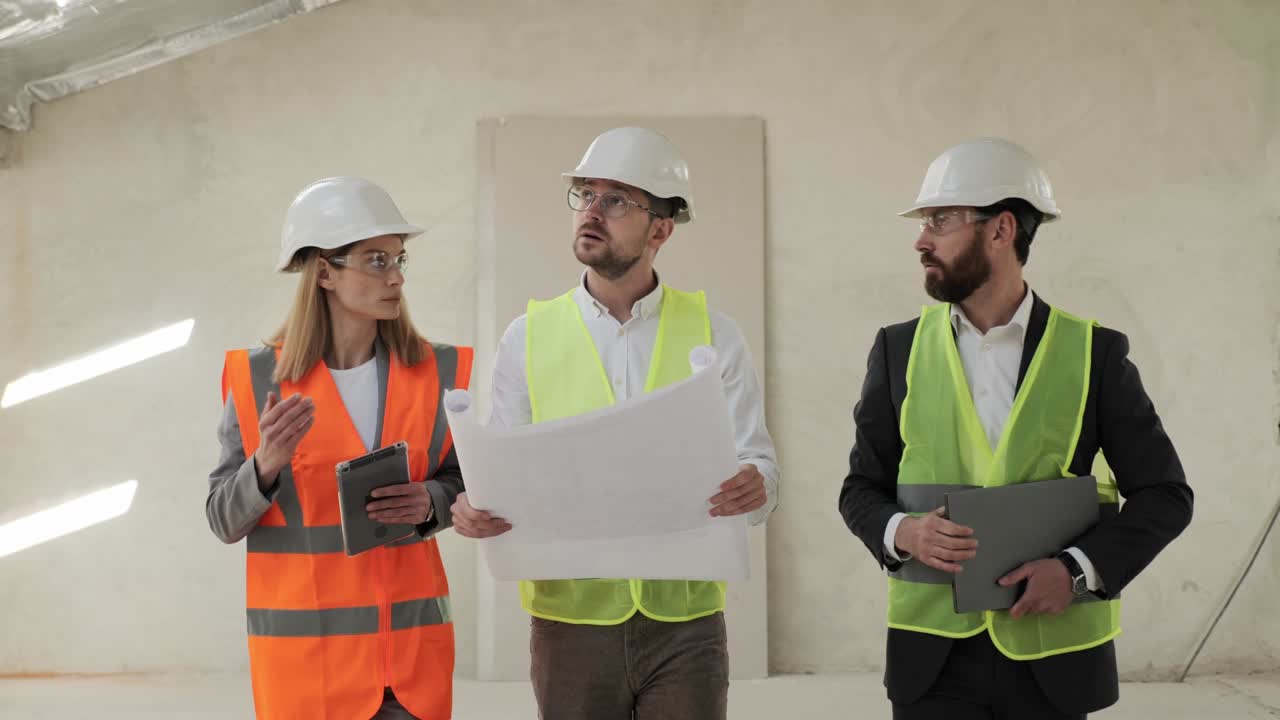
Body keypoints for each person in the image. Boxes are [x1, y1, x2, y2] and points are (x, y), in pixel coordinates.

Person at [838, 138, 1193, 719]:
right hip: (932, 662)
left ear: (1002, 230)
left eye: (941, 220)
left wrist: (1077, 572)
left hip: (1054, 661)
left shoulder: (1092, 353)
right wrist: (904, 532)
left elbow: (1165, 496)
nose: (921, 239)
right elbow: (859, 491)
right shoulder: (898, 350)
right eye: (925, 221)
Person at [452, 126, 780, 719]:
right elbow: (502, 479)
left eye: (617, 200)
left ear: (660, 228)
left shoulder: (715, 333)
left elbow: (758, 470)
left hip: (686, 626)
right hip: (570, 624)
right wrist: (477, 509)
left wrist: (755, 485)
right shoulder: (527, 337)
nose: (592, 212)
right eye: (585, 194)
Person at [206, 176, 472, 719]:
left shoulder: (434, 371)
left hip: (409, 669)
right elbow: (222, 520)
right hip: (308, 673)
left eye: (400, 260)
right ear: (324, 271)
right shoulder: (258, 380)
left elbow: (464, 483)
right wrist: (265, 465)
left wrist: (431, 502)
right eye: (376, 260)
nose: (396, 277)